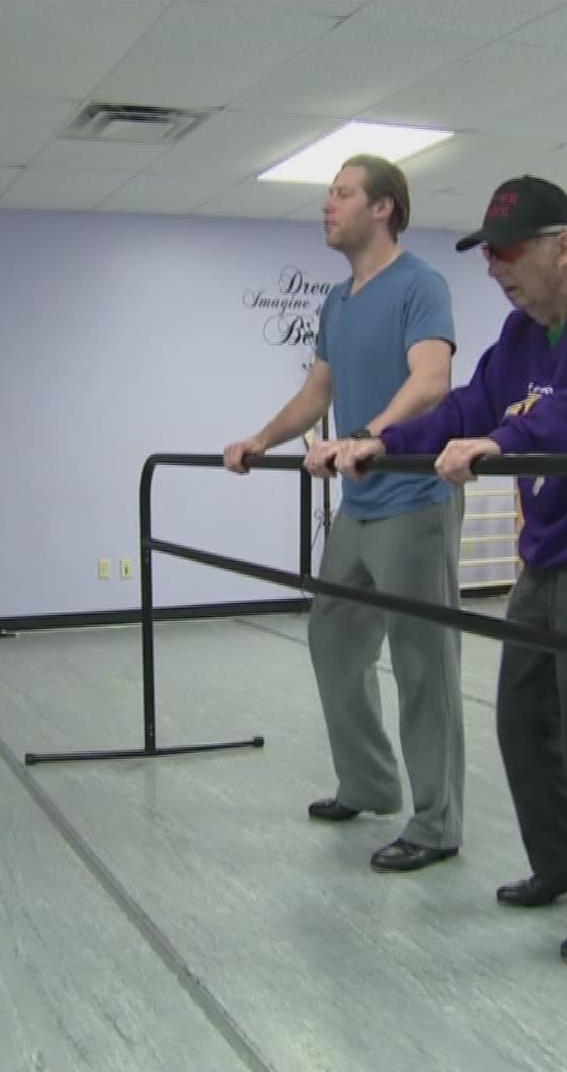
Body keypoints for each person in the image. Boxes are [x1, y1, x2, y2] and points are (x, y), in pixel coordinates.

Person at [313, 175, 567, 964]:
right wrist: (387, 444)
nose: (497, 270)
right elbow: (467, 407)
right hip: (549, 551)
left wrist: (505, 445)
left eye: (510, 252)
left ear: (564, 247)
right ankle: (564, 863)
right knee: (521, 716)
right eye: (488, 257)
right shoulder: (519, 338)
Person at [222, 154, 467, 873]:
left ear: (383, 207)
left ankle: (437, 822)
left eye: (341, 194)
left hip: (414, 500)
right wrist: (260, 439)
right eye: (328, 195)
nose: (327, 206)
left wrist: (370, 436)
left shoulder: (421, 286)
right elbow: (318, 391)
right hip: (357, 505)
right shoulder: (338, 301)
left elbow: (432, 380)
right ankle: (369, 782)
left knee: (424, 664)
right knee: (334, 639)